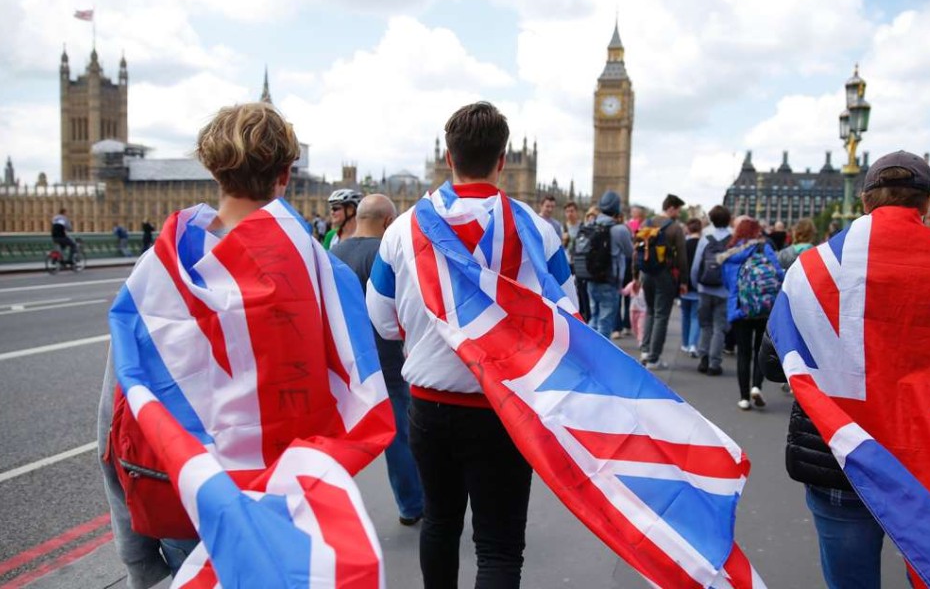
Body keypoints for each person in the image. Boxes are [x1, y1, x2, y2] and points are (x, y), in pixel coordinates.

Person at [98, 102, 392, 587]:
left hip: (187, 506)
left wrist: (136, 557)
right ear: (286, 174)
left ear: (214, 169)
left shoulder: (163, 269)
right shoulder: (322, 273)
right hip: (285, 513)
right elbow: (354, 392)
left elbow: (119, 415)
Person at [759, 150, 930, 587]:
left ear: (865, 200)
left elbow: (774, 363)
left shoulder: (813, 267)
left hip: (841, 461)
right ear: (926, 204)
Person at [367, 101, 577, 588]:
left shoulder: (403, 229)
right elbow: (569, 317)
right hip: (506, 410)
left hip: (430, 407)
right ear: (503, 160)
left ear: (448, 155)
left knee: (439, 524)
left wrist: (424, 336)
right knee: (499, 546)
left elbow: (380, 317)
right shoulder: (538, 230)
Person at [332, 194, 424, 527]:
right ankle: (411, 503)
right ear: (388, 222)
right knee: (399, 435)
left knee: (340, 439)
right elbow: (401, 310)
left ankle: (330, 511)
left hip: (345, 362)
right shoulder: (383, 256)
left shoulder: (334, 253)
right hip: (386, 361)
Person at [719, 218, 783, 410]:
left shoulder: (730, 253)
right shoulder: (764, 249)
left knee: (743, 353)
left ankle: (744, 397)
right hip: (764, 306)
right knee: (759, 350)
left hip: (740, 308)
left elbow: (727, 282)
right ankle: (756, 386)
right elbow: (778, 274)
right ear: (757, 232)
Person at [637, 193, 688, 369]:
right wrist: (683, 280)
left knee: (650, 312)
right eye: (678, 210)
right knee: (661, 315)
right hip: (664, 275)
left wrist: (636, 275)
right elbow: (682, 257)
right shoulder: (675, 228)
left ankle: (644, 350)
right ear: (671, 208)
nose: (679, 214)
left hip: (646, 274)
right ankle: (653, 358)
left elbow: (636, 251)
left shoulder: (646, 223)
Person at [690, 205, 733, 376]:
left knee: (705, 325)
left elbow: (696, 264)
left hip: (704, 288)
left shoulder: (705, 237)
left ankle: (703, 358)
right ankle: (715, 364)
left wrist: (696, 283)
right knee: (719, 327)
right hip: (723, 289)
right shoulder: (732, 238)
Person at [586, 191, 634, 339]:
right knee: (605, 324)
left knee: (593, 318)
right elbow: (629, 252)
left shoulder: (590, 225)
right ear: (617, 209)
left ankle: (587, 355)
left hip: (590, 279)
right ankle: (598, 359)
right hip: (610, 281)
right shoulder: (619, 229)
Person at [564, 200, 590, 322]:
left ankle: (583, 315)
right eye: (568, 211)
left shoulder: (582, 227)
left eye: (572, 211)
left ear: (577, 212)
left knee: (581, 289)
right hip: (566, 262)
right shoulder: (563, 227)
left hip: (579, 262)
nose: (570, 213)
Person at [679, 217, 702, 357]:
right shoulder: (703, 244)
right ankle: (693, 344)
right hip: (699, 285)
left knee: (685, 315)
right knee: (695, 316)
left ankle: (685, 343)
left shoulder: (684, 244)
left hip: (684, 284)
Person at [620, 272, 647, 343]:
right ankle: (639, 337)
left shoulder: (645, 286)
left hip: (643, 311)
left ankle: (641, 341)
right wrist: (619, 289)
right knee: (634, 327)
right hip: (632, 310)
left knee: (640, 327)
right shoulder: (631, 284)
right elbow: (625, 292)